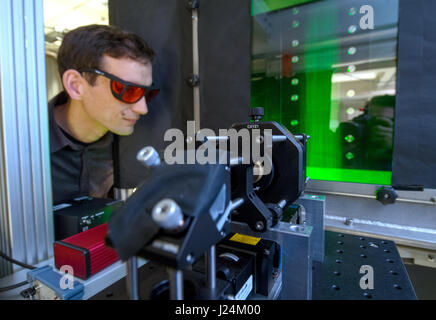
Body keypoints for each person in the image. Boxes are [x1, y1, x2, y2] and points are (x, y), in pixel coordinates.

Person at [49, 24, 159, 205]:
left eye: (148, 93)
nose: (143, 109)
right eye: (128, 90)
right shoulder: (19, 152)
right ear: (76, 85)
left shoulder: (131, 144)